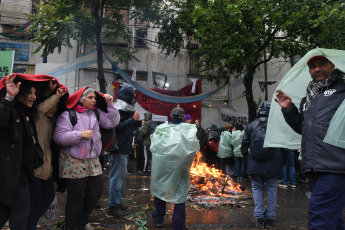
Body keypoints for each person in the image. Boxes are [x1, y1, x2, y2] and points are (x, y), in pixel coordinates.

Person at [275, 54, 345, 230]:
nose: (317, 69)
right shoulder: (309, 98)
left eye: (322, 64)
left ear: (332, 66)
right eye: (313, 66)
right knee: (332, 220)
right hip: (314, 167)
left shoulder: (342, 89)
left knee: (320, 219)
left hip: (335, 166)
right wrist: (290, 109)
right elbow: (305, 129)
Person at [53, 87, 119, 230]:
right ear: (81, 99)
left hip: (93, 159)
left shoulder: (95, 112)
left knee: (96, 191)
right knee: (75, 197)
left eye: (94, 98)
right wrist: (80, 134)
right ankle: (72, 226)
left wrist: (110, 105)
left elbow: (112, 123)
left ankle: (81, 221)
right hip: (73, 159)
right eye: (90, 97)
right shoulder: (68, 114)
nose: (93, 100)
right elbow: (58, 137)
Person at [0, 75, 43, 229]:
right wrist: (9, 97)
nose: (33, 96)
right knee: (18, 212)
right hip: (10, 174)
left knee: (12, 212)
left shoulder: (27, 113)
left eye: (35, 93)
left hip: (22, 172)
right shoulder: (9, 108)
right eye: (29, 93)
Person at [27, 79, 67, 230]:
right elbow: (41, 107)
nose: (54, 108)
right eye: (52, 104)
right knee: (35, 202)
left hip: (47, 170)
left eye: (57, 106)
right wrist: (54, 95)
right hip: (35, 168)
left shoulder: (54, 121)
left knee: (48, 196)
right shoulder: (38, 116)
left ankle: (29, 223)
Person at [150, 107, 199, 229]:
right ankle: (177, 225)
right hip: (180, 166)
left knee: (161, 188)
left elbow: (153, 147)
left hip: (162, 165)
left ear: (171, 116)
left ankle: (158, 219)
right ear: (183, 117)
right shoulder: (189, 130)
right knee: (180, 191)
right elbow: (194, 148)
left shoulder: (161, 128)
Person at [241, 101, 286, 228]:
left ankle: (259, 217)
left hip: (255, 164)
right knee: (272, 189)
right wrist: (284, 162)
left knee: (257, 188)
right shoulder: (277, 125)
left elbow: (244, 146)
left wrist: (248, 158)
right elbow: (284, 147)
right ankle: (270, 218)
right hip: (273, 164)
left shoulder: (251, 125)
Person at [107, 82, 140, 218]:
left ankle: (117, 202)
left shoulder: (125, 107)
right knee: (117, 177)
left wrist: (134, 121)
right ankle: (113, 206)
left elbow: (127, 127)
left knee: (122, 177)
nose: (135, 97)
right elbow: (117, 127)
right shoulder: (118, 108)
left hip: (123, 147)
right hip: (117, 147)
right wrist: (132, 119)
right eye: (133, 94)